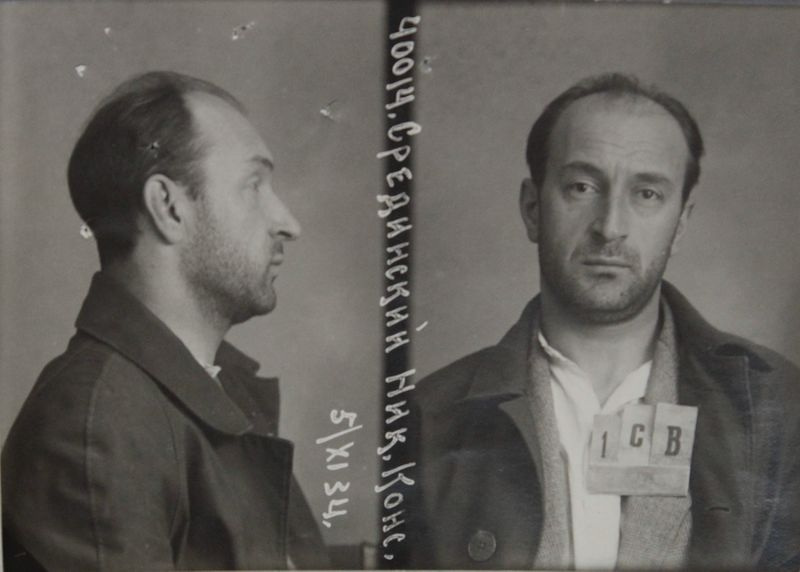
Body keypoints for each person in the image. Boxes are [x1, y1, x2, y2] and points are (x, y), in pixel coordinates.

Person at [407, 73, 800, 570]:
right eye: (582, 187)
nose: (611, 227)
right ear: (532, 208)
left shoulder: (775, 405)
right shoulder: (430, 419)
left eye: (647, 194)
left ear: (680, 224)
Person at [2, 71, 329, 571]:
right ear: (169, 207)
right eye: (253, 185)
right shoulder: (96, 425)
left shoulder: (211, 390)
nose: (288, 222)